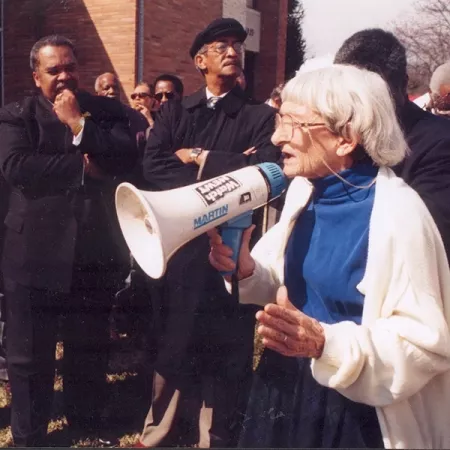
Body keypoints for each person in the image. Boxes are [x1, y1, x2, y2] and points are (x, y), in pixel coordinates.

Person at [209, 64, 450, 449]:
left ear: (346, 138)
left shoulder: (399, 212)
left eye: (294, 125)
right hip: (285, 385)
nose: (277, 136)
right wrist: (247, 270)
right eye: (279, 120)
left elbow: (424, 344)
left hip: (353, 411)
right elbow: (283, 281)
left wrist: (325, 344)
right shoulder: (307, 191)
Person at [137, 18, 280, 448]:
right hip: (181, 250)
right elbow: (153, 167)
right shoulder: (175, 111)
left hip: (232, 249)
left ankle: (213, 438)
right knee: (175, 341)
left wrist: (197, 157)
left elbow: (265, 171)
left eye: (237, 44)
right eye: (221, 46)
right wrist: (230, 164)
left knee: (225, 349)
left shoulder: (259, 115)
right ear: (200, 61)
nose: (233, 51)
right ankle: (157, 432)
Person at [0, 35, 137, 447]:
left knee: (88, 347)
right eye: (53, 69)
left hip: (92, 254)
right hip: (33, 256)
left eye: (70, 67)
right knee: (29, 357)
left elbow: (126, 155)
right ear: (35, 75)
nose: (64, 76)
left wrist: (79, 124)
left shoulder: (106, 112)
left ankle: (86, 422)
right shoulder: (15, 115)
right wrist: (83, 167)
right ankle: (29, 435)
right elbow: (17, 166)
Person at [334, 28, 450, 260]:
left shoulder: (439, 144)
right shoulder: (343, 135)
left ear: (402, 86)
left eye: (373, 90)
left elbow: (426, 238)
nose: (361, 102)